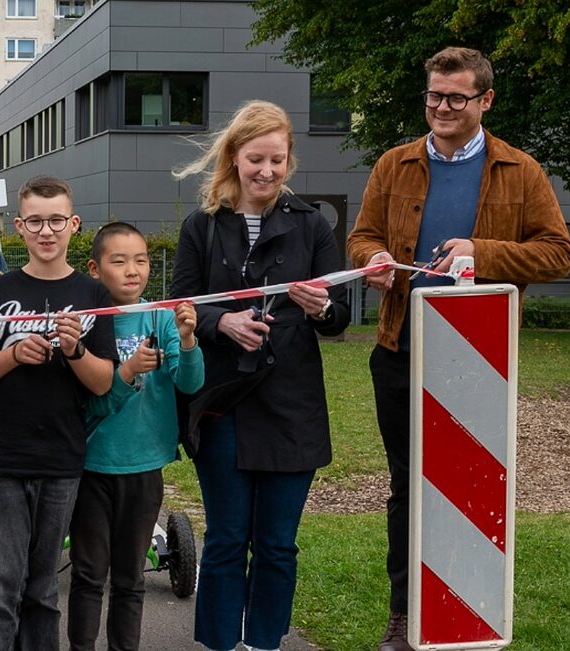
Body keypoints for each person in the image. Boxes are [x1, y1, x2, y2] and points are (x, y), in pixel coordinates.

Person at [345, 47, 570, 651]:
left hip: (479, 360)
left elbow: (558, 253)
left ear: (485, 100)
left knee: (473, 484)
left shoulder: (520, 171)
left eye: (455, 98)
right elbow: (362, 235)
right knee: (405, 487)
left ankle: (468, 616)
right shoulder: (394, 164)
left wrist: (484, 250)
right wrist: (370, 259)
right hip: (399, 348)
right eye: (434, 96)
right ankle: (406, 615)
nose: (441, 108)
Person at [168, 100, 349, 651]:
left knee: (276, 544)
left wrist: (319, 307)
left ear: (289, 161)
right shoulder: (202, 226)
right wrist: (223, 324)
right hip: (222, 403)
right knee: (225, 538)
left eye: (276, 160)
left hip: (291, 407)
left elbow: (339, 316)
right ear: (234, 159)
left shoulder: (313, 225)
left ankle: (265, 642)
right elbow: (180, 302)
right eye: (255, 159)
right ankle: (220, 643)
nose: (265, 171)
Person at [0, 175, 121, 650]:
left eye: (56, 221)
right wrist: (12, 355)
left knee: (43, 588)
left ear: (74, 225)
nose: (46, 231)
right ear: (18, 226)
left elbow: (103, 382)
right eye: (35, 221)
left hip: (61, 459)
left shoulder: (94, 296)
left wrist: (74, 350)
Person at [68, 222, 204, 651]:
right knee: (88, 574)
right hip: (92, 465)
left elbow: (189, 384)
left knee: (130, 577)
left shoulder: (161, 317)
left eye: (141, 260)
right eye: (119, 261)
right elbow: (89, 400)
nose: (133, 270)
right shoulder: (88, 323)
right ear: (94, 268)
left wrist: (186, 341)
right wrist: (127, 373)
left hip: (145, 467)